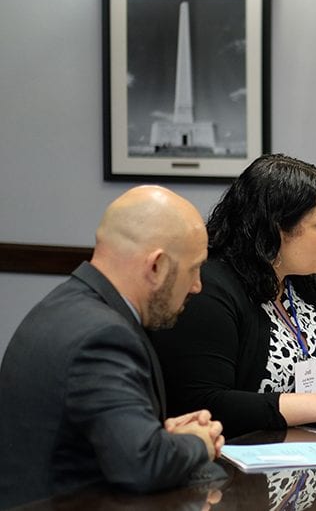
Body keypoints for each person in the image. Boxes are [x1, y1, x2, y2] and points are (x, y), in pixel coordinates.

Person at [151, 154, 316, 439]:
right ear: (276, 230)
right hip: (240, 459)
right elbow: (206, 405)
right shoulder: (209, 291)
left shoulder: (314, 280)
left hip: (315, 451)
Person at [0, 186, 224, 507]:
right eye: (193, 269)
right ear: (157, 266)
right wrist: (199, 442)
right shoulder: (102, 337)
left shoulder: (65, 306)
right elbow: (141, 465)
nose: (198, 285)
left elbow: (111, 440)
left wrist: (163, 439)